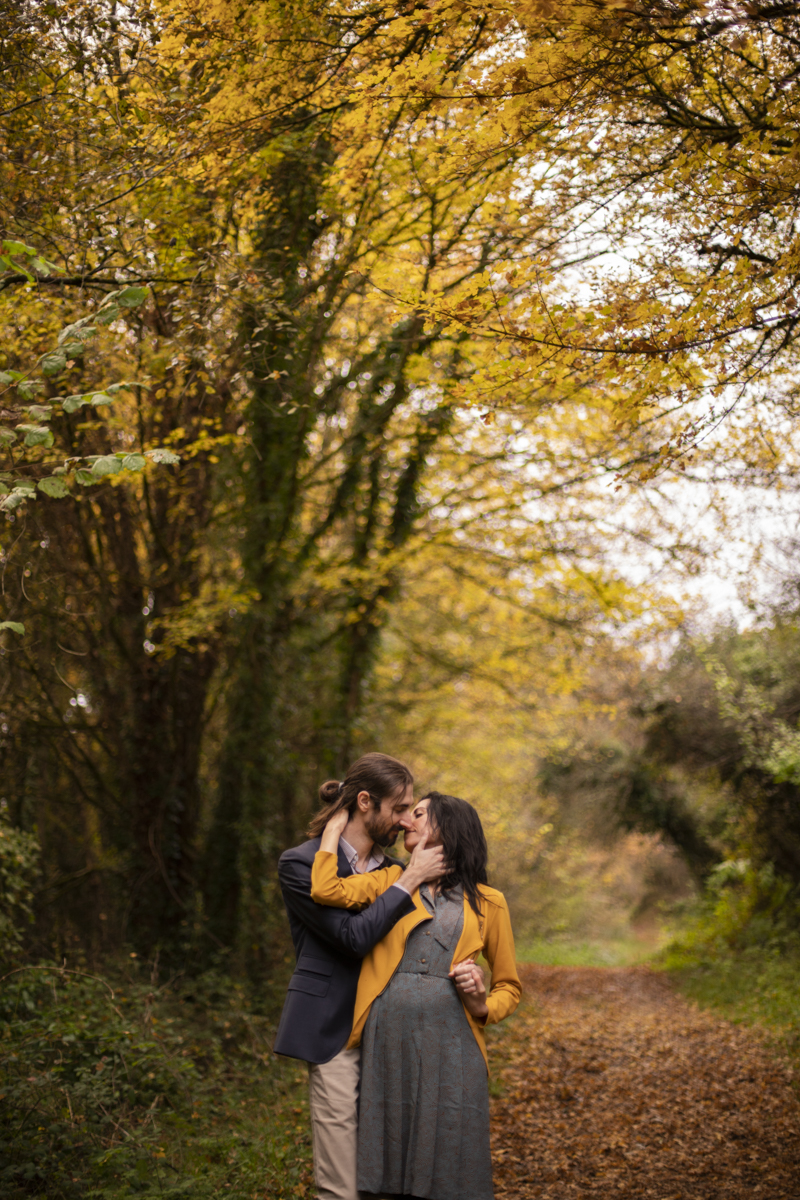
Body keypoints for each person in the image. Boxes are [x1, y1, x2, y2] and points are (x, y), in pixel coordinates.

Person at [311, 791, 521, 1200]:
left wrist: (482, 1004)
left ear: (449, 827)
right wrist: (333, 831)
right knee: (385, 1163)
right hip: (386, 1042)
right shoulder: (392, 881)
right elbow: (325, 890)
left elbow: (509, 986)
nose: (406, 820)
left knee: (451, 1164)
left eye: (419, 814)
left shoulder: (489, 902)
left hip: (454, 1047)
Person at [274, 753, 445, 1200]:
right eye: (400, 808)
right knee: (339, 1186)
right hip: (331, 1029)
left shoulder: (393, 869)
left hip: (391, 1032)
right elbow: (351, 938)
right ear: (365, 801)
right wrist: (408, 882)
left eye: (411, 809)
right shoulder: (300, 864)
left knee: (386, 1175)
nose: (406, 820)